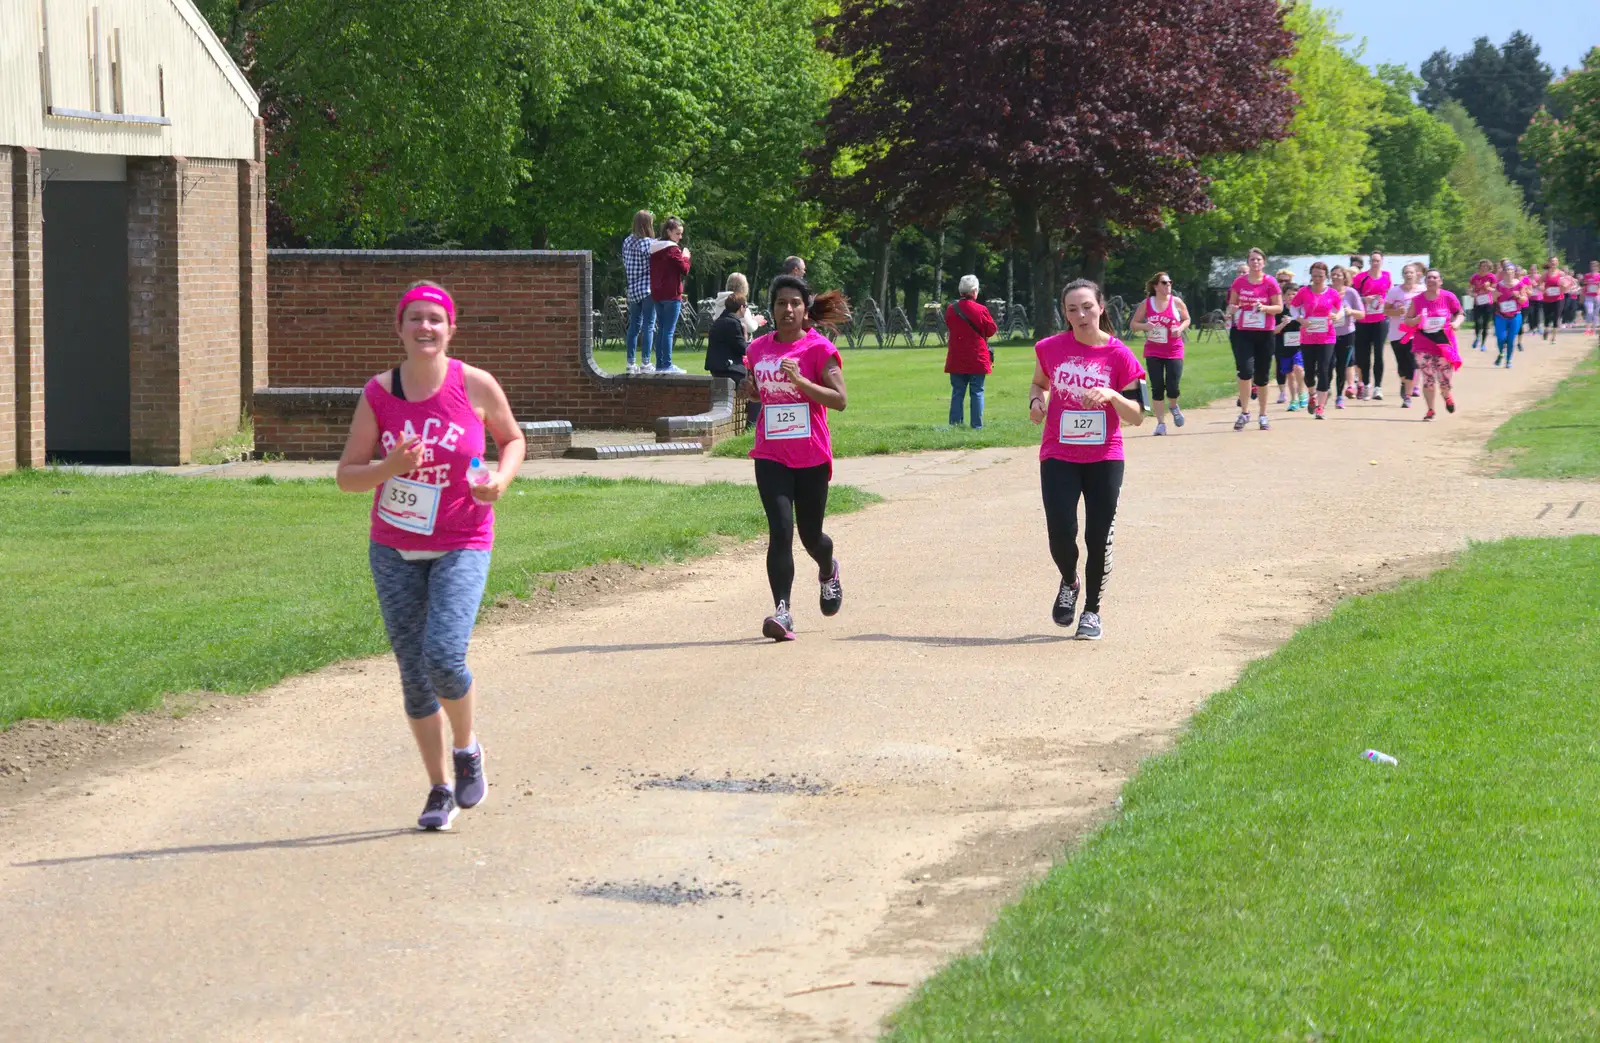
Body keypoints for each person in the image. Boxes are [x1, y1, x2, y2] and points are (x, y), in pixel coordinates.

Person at [335, 282, 527, 831]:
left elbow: (512, 440)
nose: (425, 327)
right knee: (414, 675)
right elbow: (348, 476)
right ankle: (439, 787)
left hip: (463, 539)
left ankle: (466, 750)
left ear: (450, 329)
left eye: (435, 319)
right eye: (415, 318)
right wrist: (386, 468)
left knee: (442, 654)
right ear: (399, 328)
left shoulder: (474, 384)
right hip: (394, 547)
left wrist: (500, 480)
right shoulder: (379, 392)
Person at [1030, 279, 1146, 640]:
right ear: (1064, 313)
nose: (1080, 315)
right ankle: (1069, 579)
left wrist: (1112, 394)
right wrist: (1037, 401)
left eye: (1087, 307)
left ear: (1101, 307)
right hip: (1059, 454)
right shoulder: (1049, 348)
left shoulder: (1120, 355)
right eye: (1071, 309)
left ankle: (1092, 611)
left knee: (1098, 537)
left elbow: (1138, 415)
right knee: (1061, 533)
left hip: (1105, 457)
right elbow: (1040, 383)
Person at [742, 275, 850, 641]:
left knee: (811, 536)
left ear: (805, 310)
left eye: (794, 304)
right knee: (780, 531)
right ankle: (783, 612)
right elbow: (757, 393)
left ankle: (827, 567)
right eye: (780, 304)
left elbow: (839, 400)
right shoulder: (757, 349)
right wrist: (750, 391)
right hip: (771, 453)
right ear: (771, 310)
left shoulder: (819, 349)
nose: (787, 310)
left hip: (811, 456)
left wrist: (802, 382)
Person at [1227, 248, 1283, 431]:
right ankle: (1244, 412)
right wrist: (1233, 309)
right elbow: (1232, 304)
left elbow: (1279, 307)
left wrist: (1265, 308)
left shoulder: (1270, 282)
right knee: (1245, 370)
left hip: (1265, 333)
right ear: (1248, 262)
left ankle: (1263, 414)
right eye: (1252, 259)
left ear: (1263, 263)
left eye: (1258, 260)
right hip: (1243, 332)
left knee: (1262, 376)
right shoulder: (1239, 282)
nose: (1255, 262)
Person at [1129, 271, 1191, 435]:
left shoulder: (1176, 302)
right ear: (1156, 286)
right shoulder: (1147, 303)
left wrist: (1180, 328)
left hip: (1174, 350)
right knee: (1157, 387)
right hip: (1153, 350)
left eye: (1170, 282)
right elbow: (1133, 324)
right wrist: (1145, 326)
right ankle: (1161, 423)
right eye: (1164, 283)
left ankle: (1173, 405)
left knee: (1173, 386)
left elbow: (1187, 319)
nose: (1168, 285)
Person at [1405, 269, 1464, 421]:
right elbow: (1407, 320)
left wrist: (1456, 323)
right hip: (1423, 344)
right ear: (1425, 281)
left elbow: (1460, 313)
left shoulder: (1448, 297)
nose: (1431, 280)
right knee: (1428, 378)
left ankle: (1447, 395)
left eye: (1435, 277)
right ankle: (1431, 410)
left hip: (1443, 344)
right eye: (1429, 277)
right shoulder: (1417, 300)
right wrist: (1416, 320)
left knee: (1445, 379)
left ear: (1440, 281)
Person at [1291, 262, 1343, 419]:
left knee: (1324, 369)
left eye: (1320, 276)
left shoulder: (1332, 293)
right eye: (1314, 276)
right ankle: (1312, 394)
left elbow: (1340, 309)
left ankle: (1320, 407)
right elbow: (1293, 307)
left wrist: (1337, 316)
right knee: (1309, 372)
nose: (1318, 279)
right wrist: (1300, 319)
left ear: (1326, 276)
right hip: (1308, 336)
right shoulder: (1304, 292)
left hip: (1327, 336)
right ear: (1311, 276)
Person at [945, 275, 998, 428]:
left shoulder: (951, 309)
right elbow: (991, 330)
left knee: (957, 392)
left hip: (956, 357)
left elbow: (949, 325)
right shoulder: (981, 310)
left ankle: (955, 424)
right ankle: (977, 425)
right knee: (977, 392)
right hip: (977, 357)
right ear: (974, 291)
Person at [648, 217, 692, 374]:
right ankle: (667, 364)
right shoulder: (672, 249)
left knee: (661, 330)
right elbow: (684, 270)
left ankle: (660, 365)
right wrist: (686, 256)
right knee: (668, 331)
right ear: (668, 232)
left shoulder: (654, 248)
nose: (680, 237)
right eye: (678, 233)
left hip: (657, 294)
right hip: (672, 294)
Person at [1351, 249, 1391, 401]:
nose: (1375, 263)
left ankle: (1378, 387)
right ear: (1369, 262)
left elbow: (1388, 294)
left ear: (1381, 261)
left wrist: (1384, 303)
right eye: (1373, 260)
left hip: (1380, 320)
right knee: (1363, 356)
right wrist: (1364, 299)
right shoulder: (1361, 278)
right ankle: (1366, 385)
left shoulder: (1387, 276)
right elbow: (1353, 297)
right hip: (1363, 321)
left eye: (1378, 261)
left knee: (1379, 353)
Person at [1383, 263, 1424, 409]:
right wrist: (1397, 312)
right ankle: (1404, 381)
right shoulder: (1394, 291)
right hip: (1397, 333)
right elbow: (1385, 311)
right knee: (1402, 365)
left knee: (1412, 363)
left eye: (1411, 272)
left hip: (1415, 333)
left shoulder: (1422, 291)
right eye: (1406, 272)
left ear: (1417, 274)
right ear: (1403, 275)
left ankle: (1407, 396)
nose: (1409, 275)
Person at [622, 211, 656, 374]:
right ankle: (646, 362)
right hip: (648, 289)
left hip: (633, 289)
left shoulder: (627, 241)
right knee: (649, 325)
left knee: (634, 326)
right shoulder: (649, 243)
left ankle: (630, 363)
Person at [1329, 265, 1365, 409]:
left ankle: (1339, 396)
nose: (1336, 277)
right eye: (1333, 275)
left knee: (1341, 366)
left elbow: (1362, 314)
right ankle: (1325, 390)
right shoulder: (1326, 291)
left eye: (1339, 275)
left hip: (1347, 334)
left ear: (1344, 277)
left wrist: (1350, 311)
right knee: (1327, 365)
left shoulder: (1351, 293)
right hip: (1328, 334)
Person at [1271, 268, 1305, 410]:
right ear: (1283, 296)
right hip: (1283, 346)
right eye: (1288, 294)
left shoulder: (1302, 309)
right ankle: (1293, 399)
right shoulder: (1279, 311)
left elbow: (1309, 325)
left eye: (1294, 294)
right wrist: (1283, 323)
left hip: (1299, 345)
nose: (1291, 297)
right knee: (1289, 373)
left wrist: (1299, 319)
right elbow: (1273, 331)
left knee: (1298, 368)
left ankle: (1302, 393)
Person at [711, 273, 769, 337]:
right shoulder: (739, 302)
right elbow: (750, 327)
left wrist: (750, 318)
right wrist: (756, 321)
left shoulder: (720, 301)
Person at [1492, 261, 1527, 367]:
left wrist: (1518, 296)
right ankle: (1501, 353)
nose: (1509, 272)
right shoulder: (1498, 285)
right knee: (1501, 338)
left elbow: (1524, 300)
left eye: (1511, 270)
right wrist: (1495, 296)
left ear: (1514, 272)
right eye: (1507, 270)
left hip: (1515, 316)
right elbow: (1493, 300)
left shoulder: (1520, 285)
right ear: (1503, 272)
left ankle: (1508, 360)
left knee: (1511, 339)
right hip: (1500, 316)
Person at [1468, 259, 1496, 351]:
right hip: (1477, 302)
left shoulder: (1491, 277)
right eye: (1482, 266)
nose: (1484, 268)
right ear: (1479, 267)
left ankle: (1483, 343)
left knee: (1485, 324)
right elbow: (1470, 289)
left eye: (1486, 266)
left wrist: (1488, 288)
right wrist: (1472, 294)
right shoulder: (1475, 277)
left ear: (1489, 267)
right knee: (1477, 322)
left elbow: (1495, 290)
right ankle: (1477, 337)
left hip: (1488, 303)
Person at [1540, 257, 1565, 341]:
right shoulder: (1545, 274)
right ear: (1549, 263)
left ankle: (1554, 336)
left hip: (1559, 298)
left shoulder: (1561, 274)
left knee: (1556, 316)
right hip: (1547, 299)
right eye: (1552, 261)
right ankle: (1546, 329)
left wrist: (1564, 286)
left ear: (1557, 263)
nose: (1553, 263)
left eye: (1555, 261)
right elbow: (1539, 285)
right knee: (1547, 317)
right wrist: (1543, 289)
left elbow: (1566, 285)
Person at [1583, 260, 1600, 334]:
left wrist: (1598, 289)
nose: (1593, 267)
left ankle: (1593, 329)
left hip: (1597, 296)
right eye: (1592, 266)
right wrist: (1582, 296)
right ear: (1590, 267)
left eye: (1595, 266)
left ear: (1597, 267)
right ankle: (1587, 328)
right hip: (1588, 296)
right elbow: (1585, 286)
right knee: (1589, 312)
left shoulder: (1599, 275)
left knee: (1595, 313)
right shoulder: (1587, 275)